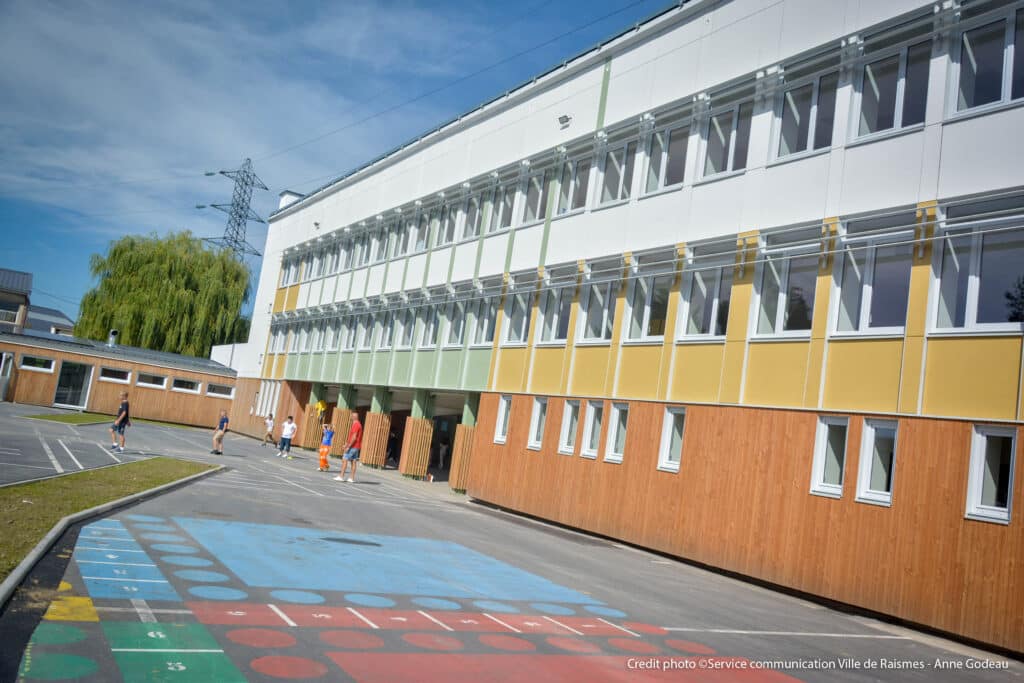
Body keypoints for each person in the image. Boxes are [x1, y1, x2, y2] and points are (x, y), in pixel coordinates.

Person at [334, 413, 362, 483]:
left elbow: (354, 437)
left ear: (353, 417)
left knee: (344, 459)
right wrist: (346, 444)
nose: (350, 417)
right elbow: (351, 437)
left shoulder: (355, 425)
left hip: (353, 446)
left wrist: (348, 447)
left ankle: (341, 476)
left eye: (351, 416)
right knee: (353, 461)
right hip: (356, 447)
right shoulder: (358, 424)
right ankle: (351, 478)